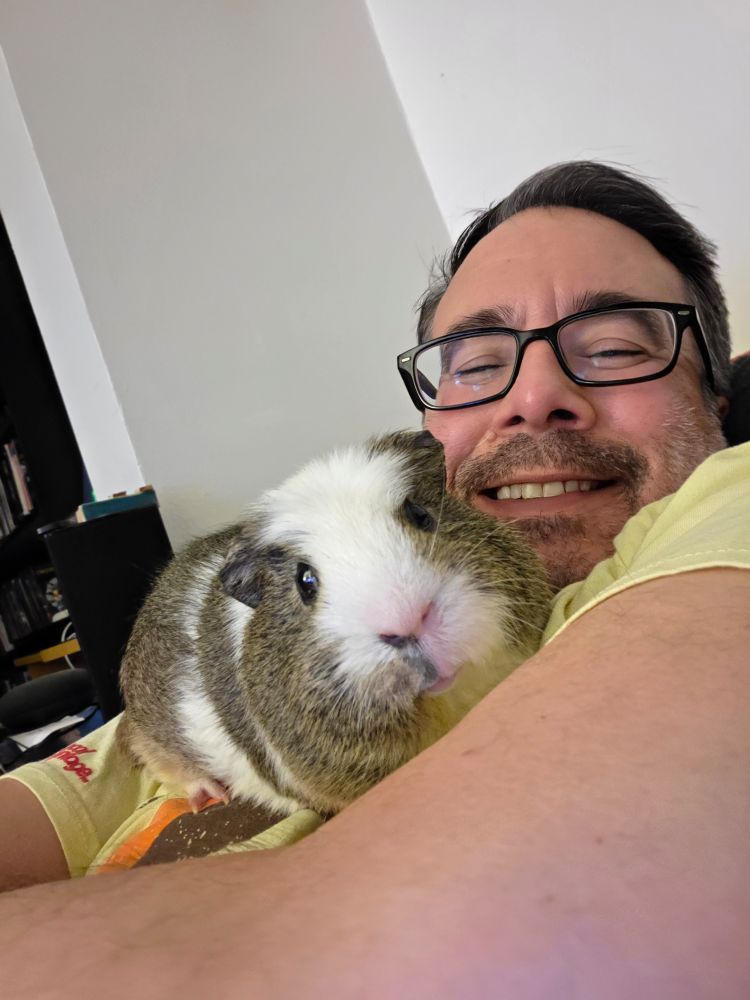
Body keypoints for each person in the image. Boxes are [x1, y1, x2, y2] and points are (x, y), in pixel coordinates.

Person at [1, 161, 748, 998]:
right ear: (433, 429)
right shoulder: (280, 626)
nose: (534, 396)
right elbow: (112, 758)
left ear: (716, 395)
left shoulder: (731, 511)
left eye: (612, 347)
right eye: (474, 365)